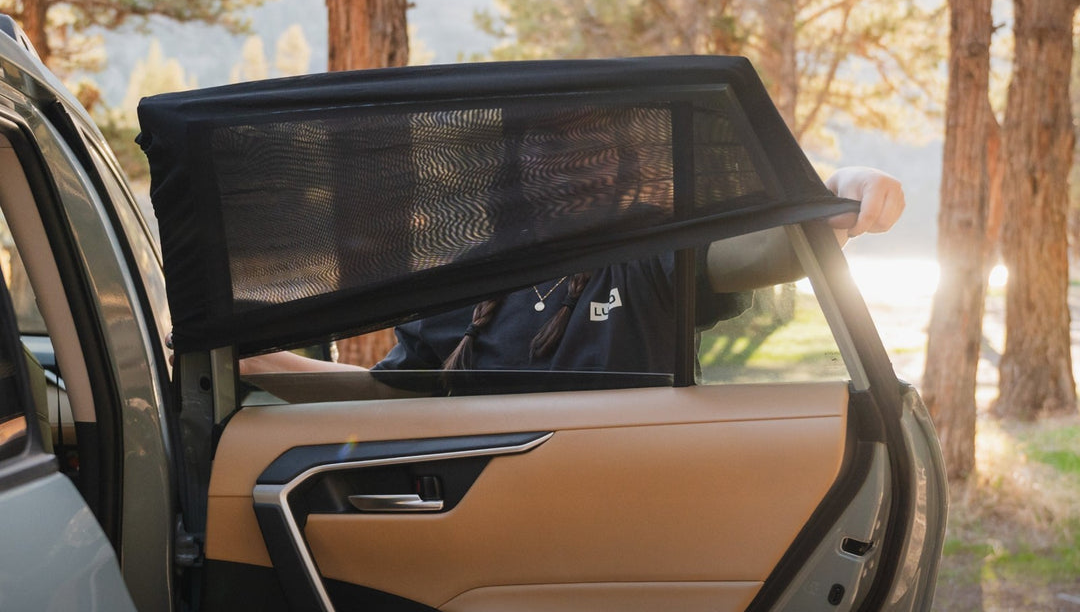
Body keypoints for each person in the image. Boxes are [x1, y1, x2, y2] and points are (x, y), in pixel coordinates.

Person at [239, 166, 903, 391]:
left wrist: (843, 189)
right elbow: (389, 399)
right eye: (543, 145)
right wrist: (256, 363)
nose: (565, 165)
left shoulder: (649, 258)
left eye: (590, 148)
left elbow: (770, 248)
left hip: (629, 526)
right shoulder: (460, 282)